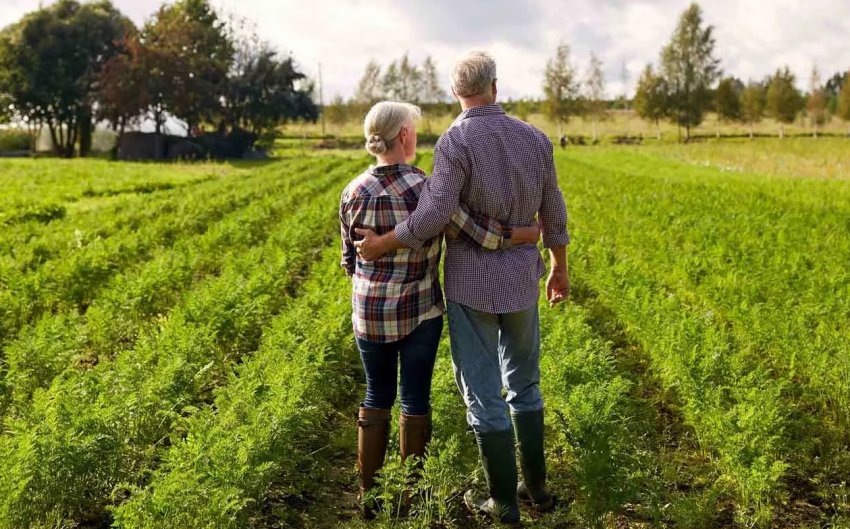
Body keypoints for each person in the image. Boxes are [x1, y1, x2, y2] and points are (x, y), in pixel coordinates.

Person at [355, 51, 570, 525]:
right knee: (526, 385)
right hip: (520, 284)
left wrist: (384, 243)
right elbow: (554, 211)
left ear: (457, 93)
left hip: (471, 285)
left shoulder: (455, 140)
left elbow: (434, 215)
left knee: (484, 392)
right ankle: (536, 487)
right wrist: (559, 267)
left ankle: (506, 504)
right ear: (495, 86)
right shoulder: (535, 139)